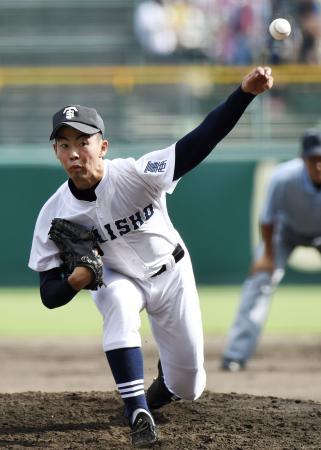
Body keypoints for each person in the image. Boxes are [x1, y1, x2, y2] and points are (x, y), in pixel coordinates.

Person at [28, 66, 273, 447]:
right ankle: (137, 410)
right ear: (56, 152)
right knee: (117, 303)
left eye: (83, 141)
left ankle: (164, 388)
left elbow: (200, 141)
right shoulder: (53, 213)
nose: (74, 152)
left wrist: (244, 93)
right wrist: (77, 280)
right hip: (117, 277)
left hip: (172, 272)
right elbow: (48, 294)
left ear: (103, 146)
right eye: (64, 144)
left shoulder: (138, 173)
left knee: (190, 385)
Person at [221, 128, 321, 372]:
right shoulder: (284, 177)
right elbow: (267, 218)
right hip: (284, 233)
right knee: (260, 280)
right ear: (302, 159)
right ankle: (235, 355)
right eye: (313, 159)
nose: (318, 165)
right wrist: (267, 255)